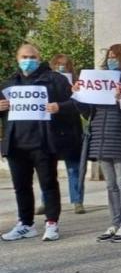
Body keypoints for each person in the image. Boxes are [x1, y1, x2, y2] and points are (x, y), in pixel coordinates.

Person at [0, 44, 77, 242]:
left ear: (39, 57)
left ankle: (52, 223)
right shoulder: (9, 84)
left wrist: (59, 107)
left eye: (32, 56)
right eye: (24, 56)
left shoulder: (55, 80)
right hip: (16, 144)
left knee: (48, 184)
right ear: (17, 59)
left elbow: (76, 103)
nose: (28, 60)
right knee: (21, 186)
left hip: (44, 142)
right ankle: (25, 224)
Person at [74, 44, 121, 242]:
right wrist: (79, 96)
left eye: (116, 57)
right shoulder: (99, 81)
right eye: (109, 57)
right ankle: (114, 223)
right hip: (100, 138)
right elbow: (88, 113)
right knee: (111, 185)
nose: (112, 60)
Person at [42, 54, 85, 214]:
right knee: (47, 169)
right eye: (58, 64)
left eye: (65, 65)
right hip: (51, 129)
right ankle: (46, 202)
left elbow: (80, 104)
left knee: (74, 168)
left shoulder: (77, 82)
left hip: (71, 129)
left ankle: (77, 201)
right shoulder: (45, 82)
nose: (62, 67)